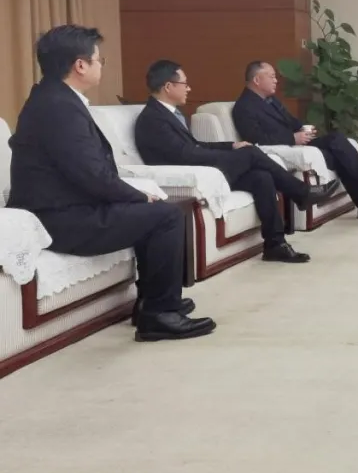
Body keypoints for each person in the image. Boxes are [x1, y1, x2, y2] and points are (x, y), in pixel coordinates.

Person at [7, 26, 214, 342]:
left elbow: (88, 172)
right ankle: (159, 315)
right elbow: (90, 174)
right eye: (98, 59)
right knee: (167, 216)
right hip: (59, 218)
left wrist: (134, 195)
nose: (101, 65)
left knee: (156, 211)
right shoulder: (58, 107)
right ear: (80, 65)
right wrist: (137, 196)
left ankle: (151, 302)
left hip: (65, 207)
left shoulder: (54, 98)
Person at [134, 60, 340, 264]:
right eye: (184, 84)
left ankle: (275, 244)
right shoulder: (153, 119)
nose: (189, 88)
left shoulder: (170, 114)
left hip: (199, 165)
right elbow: (184, 155)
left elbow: (195, 145)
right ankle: (301, 192)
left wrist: (231, 146)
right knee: (250, 153)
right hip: (189, 173)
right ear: (168, 86)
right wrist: (228, 156)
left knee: (261, 177)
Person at [231, 62, 358, 220]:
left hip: (295, 142)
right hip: (282, 148)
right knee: (337, 150)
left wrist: (303, 129)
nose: (276, 80)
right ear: (257, 79)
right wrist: (292, 138)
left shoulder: (271, 100)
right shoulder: (244, 107)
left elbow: (291, 121)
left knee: (336, 141)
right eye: (271, 76)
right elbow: (255, 139)